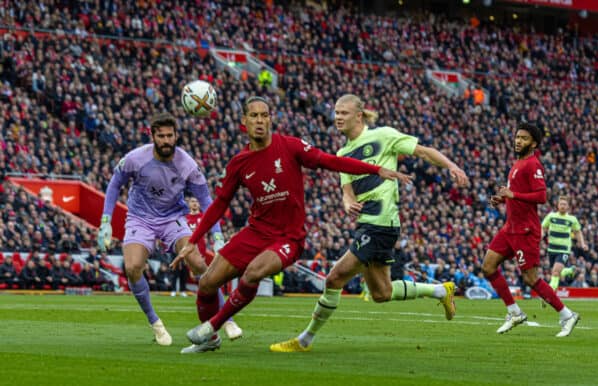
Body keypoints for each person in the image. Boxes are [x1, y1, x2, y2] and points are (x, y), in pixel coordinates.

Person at [172, 96, 410, 353]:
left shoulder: (290, 146)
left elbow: (330, 161)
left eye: (265, 115)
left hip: (288, 238)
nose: (260, 121)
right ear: (244, 122)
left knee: (253, 272)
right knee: (207, 283)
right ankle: (210, 341)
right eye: (254, 116)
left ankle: (212, 327)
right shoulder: (239, 163)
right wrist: (193, 240)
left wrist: (375, 170)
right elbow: (219, 204)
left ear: (271, 119)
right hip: (255, 232)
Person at [270, 94, 468, 352]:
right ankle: (441, 291)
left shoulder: (383, 135)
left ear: (359, 116)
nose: (338, 117)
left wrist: (451, 165)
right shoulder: (342, 153)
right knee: (381, 293)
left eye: (344, 113)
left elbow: (422, 151)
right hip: (367, 224)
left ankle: (304, 340)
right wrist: (347, 203)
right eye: (336, 113)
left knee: (334, 278)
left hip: (381, 221)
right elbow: (346, 191)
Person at [97, 112, 241, 347]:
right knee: (133, 267)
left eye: (169, 136)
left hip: (172, 219)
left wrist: (216, 234)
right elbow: (114, 184)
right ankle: (155, 322)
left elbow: (206, 200)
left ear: (176, 136)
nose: (166, 140)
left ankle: (226, 318)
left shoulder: (187, 165)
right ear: (152, 136)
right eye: (161, 136)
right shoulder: (135, 158)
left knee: (197, 262)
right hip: (139, 219)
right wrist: (105, 221)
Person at [482, 123, 579, 337]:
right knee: (488, 267)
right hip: (510, 228)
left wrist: (513, 196)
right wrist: (503, 198)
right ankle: (514, 312)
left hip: (526, 230)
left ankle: (567, 315)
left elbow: (541, 196)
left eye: (524, 138)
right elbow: (515, 194)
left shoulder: (533, 165)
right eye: (517, 137)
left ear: (533, 143)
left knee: (530, 278)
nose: (518, 141)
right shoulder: (518, 163)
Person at [186, 196, 243, 342]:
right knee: (207, 290)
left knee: (209, 288)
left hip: (203, 259)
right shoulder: (184, 218)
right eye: (193, 201)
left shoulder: (204, 217)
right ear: (188, 203)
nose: (195, 203)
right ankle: (221, 325)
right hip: (191, 259)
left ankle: (223, 324)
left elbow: (214, 231)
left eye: (197, 201)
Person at [541, 196, 588, 298]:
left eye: (565, 204)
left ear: (568, 207)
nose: (562, 206)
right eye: (561, 204)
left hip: (563, 250)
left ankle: (549, 296)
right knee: (556, 272)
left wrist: (583, 243)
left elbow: (578, 232)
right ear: (557, 205)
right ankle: (569, 270)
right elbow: (543, 228)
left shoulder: (572, 219)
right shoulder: (551, 216)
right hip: (551, 249)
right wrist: (540, 236)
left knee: (555, 272)